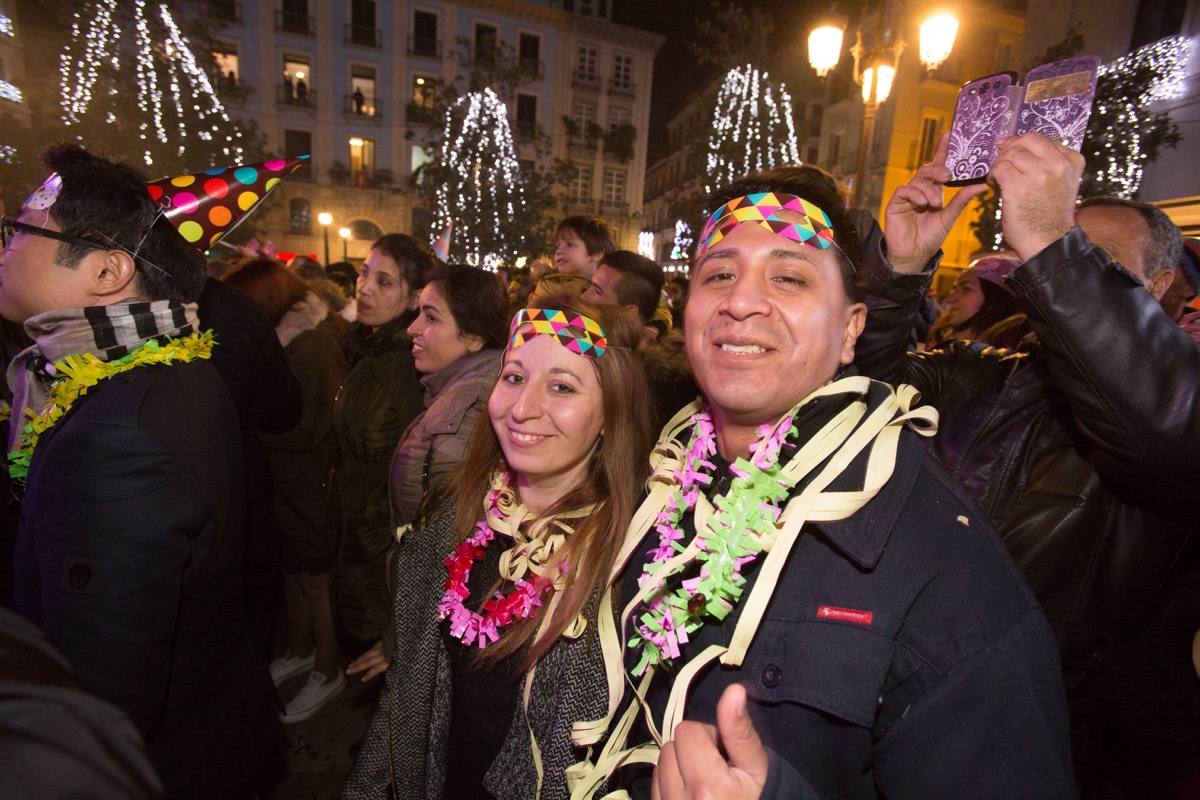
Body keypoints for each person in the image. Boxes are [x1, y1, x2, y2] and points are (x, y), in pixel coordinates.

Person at [568, 153, 1074, 799]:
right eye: (718, 273)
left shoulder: (944, 567)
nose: (742, 301)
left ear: (850, 330)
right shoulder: (650, 490)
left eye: (790, 278)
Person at [855, 132, 1200, 795]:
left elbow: (1169, 424)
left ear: (1161, 287)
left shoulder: (1172, 400)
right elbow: (859, 399)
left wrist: (1052, 242)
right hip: (903, 713)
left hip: (1059, 747)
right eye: (1042, 253)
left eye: (1086, 259)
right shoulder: (981, 370)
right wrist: (900, 272)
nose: (1047, 275)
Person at [2, 145, 277, 799]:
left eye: (19, 231)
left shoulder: (123, 431)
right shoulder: (164, 371)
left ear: (107, 271)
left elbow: (104, 688)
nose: (7, 246)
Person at [342, 296, 653, 800]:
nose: (522, 409)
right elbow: (406, 700)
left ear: (611, 414)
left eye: (561, 386)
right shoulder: (454, 513)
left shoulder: (630, 564)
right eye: (513, 378)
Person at [346, 263, 509, 684]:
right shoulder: (456, 391)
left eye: (432, 317)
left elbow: (446, 550)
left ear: (472, 337)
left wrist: (398, 638)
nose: (412, 329)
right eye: (418, 313)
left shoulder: (464, 417)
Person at [223, 259, 351, 723]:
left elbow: (316, 423)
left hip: (311, 479)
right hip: (287, 478)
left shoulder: (313, 344)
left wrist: (254, 424)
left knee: (316, 580)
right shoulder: (285, 337)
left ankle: (326, 666)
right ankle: (300, 649)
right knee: (294, 574)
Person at [333, 234, 432, 649]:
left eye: (385, 281)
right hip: (353, 531)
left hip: (377, 547)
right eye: (364, 273)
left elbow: (409, 469)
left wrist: (369, 535)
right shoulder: (368, 347)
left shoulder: (406, 365)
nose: (365, 287)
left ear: (413, 300)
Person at [582, 250, 695, 432]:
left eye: (597, 291)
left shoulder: (658, 388)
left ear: (628, 312)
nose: (584, 297)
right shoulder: (581, 348)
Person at [924, 252, 1028, 348]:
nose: (950, 298)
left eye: (966, 289)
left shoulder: (1011, 357)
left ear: (995, 299)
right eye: (954, 288)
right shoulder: (942, 338)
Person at [531, 216, 615, 301]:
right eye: (558, 245)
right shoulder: (550, 286)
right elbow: (536, 313)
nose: (559, 251)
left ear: (596, 253)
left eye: (569, 244)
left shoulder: (610, 292)